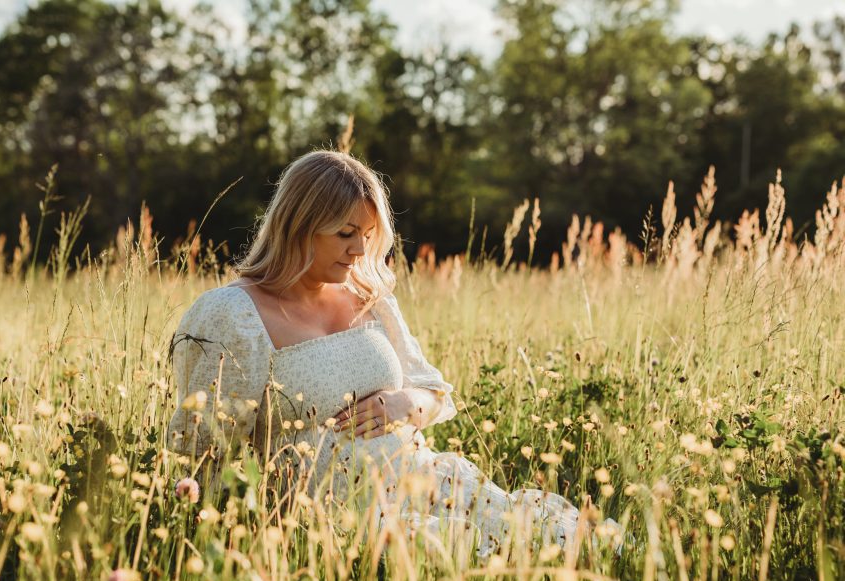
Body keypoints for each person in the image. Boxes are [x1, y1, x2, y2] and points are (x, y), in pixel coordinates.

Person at [167, 150, 620, 559]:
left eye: (367, 234)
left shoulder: (369, 294)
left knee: (556, 541)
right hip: (336, 514)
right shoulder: (233, 315)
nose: (360, 249)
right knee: (471, 558)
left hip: (425, 481)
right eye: (345, 233)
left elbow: (434, 390)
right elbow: (202, 453)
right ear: (299, 225)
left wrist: (405, 404)